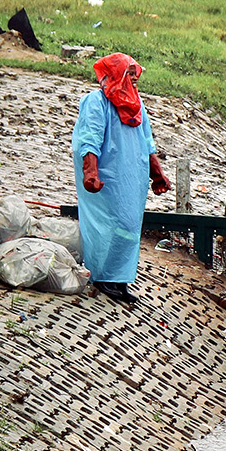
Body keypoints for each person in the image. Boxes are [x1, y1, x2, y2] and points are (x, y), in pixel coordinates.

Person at [74, 53, 171, 304]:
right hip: (106, 177)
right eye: (130, 75)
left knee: (129, 226)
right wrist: (90, 172)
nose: (134, 81)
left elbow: (147, 142)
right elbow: (89, 139)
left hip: (131, 178)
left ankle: (120, 277)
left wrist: (157, 174)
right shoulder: (96, 102)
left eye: (135, 76)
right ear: (116, 75)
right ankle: (102, 275)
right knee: (104, 224)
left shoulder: (136, 106)